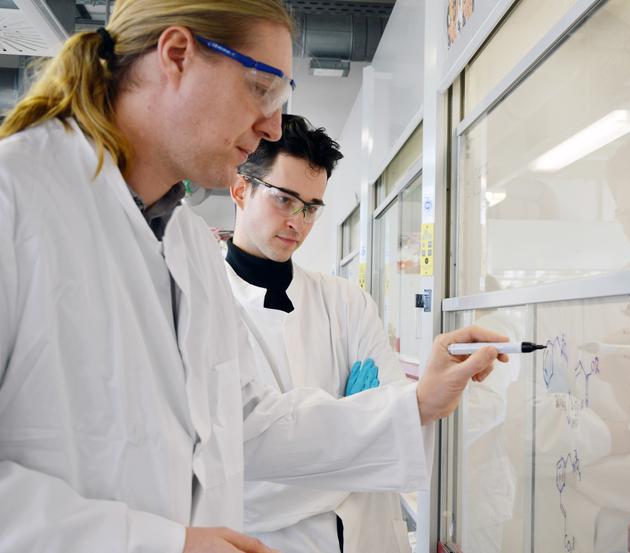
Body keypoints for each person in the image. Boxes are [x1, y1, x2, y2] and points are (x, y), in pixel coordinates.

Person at [0, 2, 507, 552]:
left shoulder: (187, 244)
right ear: (176, 56)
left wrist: (418, 404)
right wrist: (160, 543)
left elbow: (245, 424)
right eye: (261, 90)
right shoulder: (16, 201)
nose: (270, 124)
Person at [225, 115, 412, 553]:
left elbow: (391, 443)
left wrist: (334, 448)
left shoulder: (348, 303)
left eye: (311, 207)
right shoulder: (206, 305)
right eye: (284, 200)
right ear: (240, 190)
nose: (299, 220)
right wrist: (356, 436)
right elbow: (239, 487)